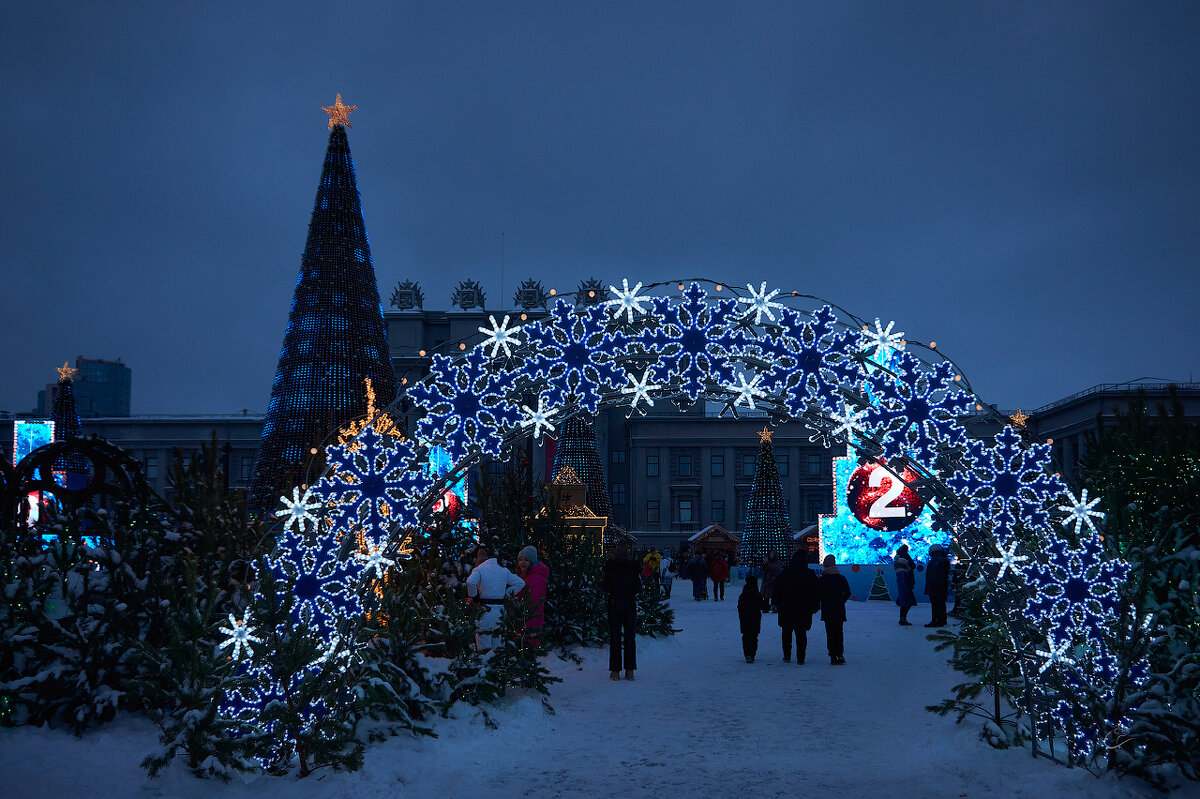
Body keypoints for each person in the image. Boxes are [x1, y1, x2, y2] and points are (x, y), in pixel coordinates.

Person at [465, 545, 525, 651]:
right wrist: (505, 594)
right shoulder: (503, 570)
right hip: (500, 611)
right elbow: (520, 583)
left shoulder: (479, 570)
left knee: (483, 640)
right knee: (498, 640)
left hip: (485, 610)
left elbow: (470, 582)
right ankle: (499, 665)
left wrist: (474, 597)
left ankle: (486, 664)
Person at [601, 540, 642, 681]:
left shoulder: (610, 568)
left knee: (615, 637)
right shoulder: (633, 568)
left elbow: (605, 588)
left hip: (614, 604)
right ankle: (630, 670)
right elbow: (638, 588)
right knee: (630, 637)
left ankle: (615, 671)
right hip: (629, 604)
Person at [772, 551, 821, 664]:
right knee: (801, 634)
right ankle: (801, 657)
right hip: (804, 608)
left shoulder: (785, 572)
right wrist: (815, 605)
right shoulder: (810, 574)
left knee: (786, 633)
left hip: (786, 607)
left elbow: (777, 589)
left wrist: (776, 603)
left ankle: (787, 656)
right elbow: (816, 592)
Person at [818, 554, 852, 665]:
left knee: (830, 633)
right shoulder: (841, 578)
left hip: (827, 609)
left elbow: (819, 594)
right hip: (839, 609)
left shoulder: (823, 579)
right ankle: (839, 653)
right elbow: (847, 592)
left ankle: (832, 655)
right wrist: (842, 600)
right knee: (839, 632)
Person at [515, 545, 549, 650]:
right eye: (520, 560)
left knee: (527, 646)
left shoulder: (536, 578)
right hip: (521, 617)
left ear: (532, 562)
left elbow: (534, 601)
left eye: (526, 560)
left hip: (529, 618)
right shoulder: (523, 575)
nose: (522, 562)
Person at [737, 574, 769, 662]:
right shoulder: (757, 595)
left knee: (746, 636)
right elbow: (763, 607)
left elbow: (739, 607)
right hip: (755, 619)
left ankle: (747, 654)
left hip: (745, 619)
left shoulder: (743, 595)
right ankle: (752, 654)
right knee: (754, 637)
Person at [925, 544, 951, 628]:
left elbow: (933, 574)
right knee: (941, 603)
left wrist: (931, 586)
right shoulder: (944, 559)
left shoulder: (935, 560)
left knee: (935, 603)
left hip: (935, 586)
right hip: (942, 585)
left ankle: (936, 620)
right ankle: (942, 619)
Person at [893, 544, 917, 626]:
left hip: (904, 586)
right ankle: (902, 619)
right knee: (906, 602)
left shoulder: (899, 565)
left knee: (904, 600)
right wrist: (908, 589)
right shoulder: (904, 571)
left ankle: (902, 618)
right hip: (906, 586)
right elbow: (913, 565)